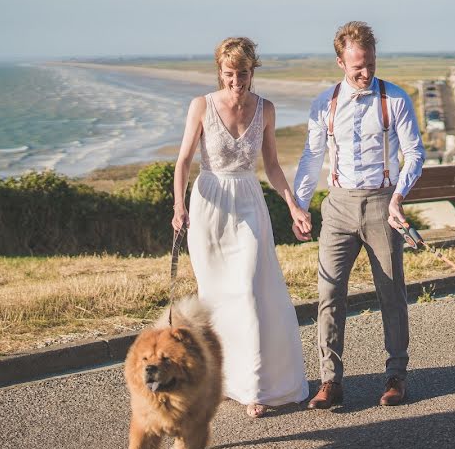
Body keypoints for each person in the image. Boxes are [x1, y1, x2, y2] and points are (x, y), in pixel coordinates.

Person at [172, 37, 311, 418]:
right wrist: (179, 205)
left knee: (250, 291)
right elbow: (184, 160)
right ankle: (221, 382)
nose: (237, 81)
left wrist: (294, 206)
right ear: (220, 72)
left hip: (249, 201)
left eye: (244, 74)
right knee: (215, 298)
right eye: (230, 74)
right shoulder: (201, 105)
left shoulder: (266, 109)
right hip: (210, 204)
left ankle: (255, 388)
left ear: (254, 71)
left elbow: (272, 166)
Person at [292, 21, 425, 408]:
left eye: (369, 64)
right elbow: (312, 156)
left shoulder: (395, 99)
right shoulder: (324, 103)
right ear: (340, 62)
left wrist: (399, 197)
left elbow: (414, 154)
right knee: (329, 292)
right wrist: (301, 205)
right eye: (356, 67)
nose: (365, 73)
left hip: (383, 201)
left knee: (391, 292)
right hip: (337, 205)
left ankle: (396, 376)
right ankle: (330, 381)